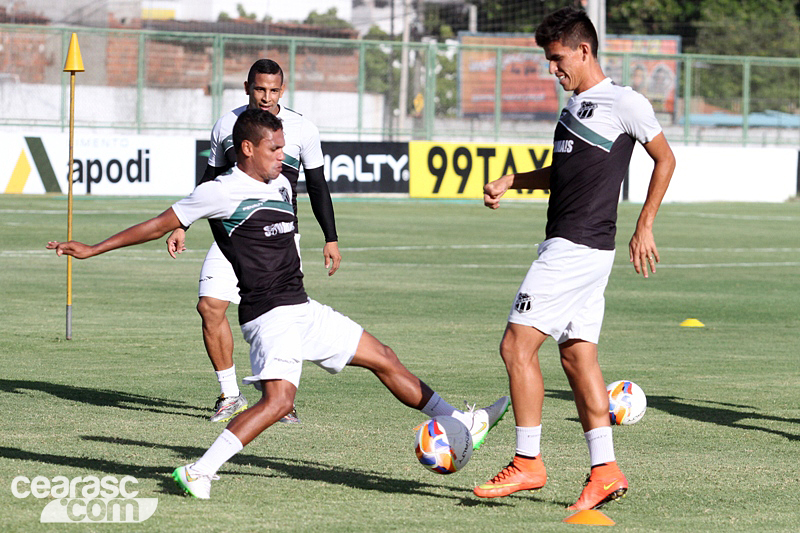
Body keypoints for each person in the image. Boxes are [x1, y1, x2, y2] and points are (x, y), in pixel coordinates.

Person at [47, 108, 510, 500]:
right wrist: (92, 248)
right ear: (247, 149)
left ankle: (456, 420)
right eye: (274, 149)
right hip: (269, 316)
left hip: (302, 308)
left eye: (285, 147)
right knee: (279, 400)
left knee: (383, 357)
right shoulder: (221, 190)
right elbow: (156, 224)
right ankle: (198, 471)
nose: (283, 156)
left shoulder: (285, 185)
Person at [472, 7, 675, 511]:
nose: (551, 69)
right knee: (577, 355)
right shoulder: (574, 108)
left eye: (557, 59)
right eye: (547, 60)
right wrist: (513, 180)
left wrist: (644, 223)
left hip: (575, 248)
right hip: (578, 248)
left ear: (584, 50)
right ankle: (605, 469)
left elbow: (666, 159)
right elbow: (565, 171)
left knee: (516, 348)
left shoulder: (624, 102)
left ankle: (527, 462)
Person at [167, 59, 341, 424]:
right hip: (231, 235)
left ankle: (281, 400)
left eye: (273, 90)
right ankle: (230, 395)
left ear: (283, 89)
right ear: (247, 86)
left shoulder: (302, 129)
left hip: (279, 239)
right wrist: (183, 223)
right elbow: (210, 177)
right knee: (209, 307)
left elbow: (318, 185)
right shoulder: (225, 125)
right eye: (259, 89)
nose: (266, 96)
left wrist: (330, 237)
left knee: (280, 320)